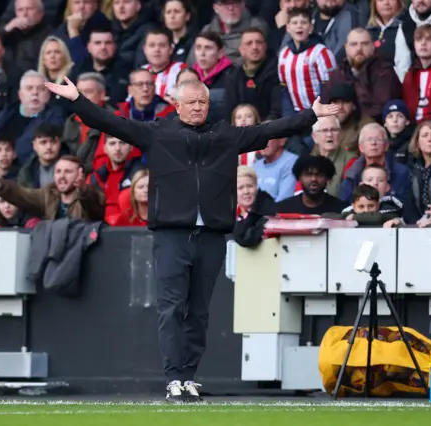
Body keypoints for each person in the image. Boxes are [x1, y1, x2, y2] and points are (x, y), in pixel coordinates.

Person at [44, 75, 339, 403]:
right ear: (177, 105)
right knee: (172, 308)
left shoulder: (225, 135)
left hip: (211, 235)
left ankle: (188, 377)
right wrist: (77, 101)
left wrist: (311, 115)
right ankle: (174, 378)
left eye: (203, 102)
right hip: (171, 234)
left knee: (198, 311)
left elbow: (269, 130)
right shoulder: (157, 132)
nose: (198, 107)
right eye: (192, 102)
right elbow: (111, 122)